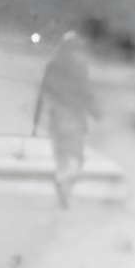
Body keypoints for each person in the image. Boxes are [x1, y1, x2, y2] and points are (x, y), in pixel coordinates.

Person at [32, 29, 97, 206]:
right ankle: (64, 183)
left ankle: (63, 191)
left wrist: (35, 121)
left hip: (56, 117)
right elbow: (86, 91)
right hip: (74, 117)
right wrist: (95, 111)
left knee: (61, 157)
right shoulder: (80, 64)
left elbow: (42, 92)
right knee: (77, 157)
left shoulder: (52, 64)